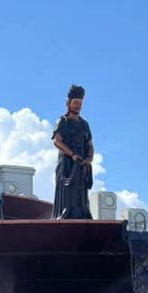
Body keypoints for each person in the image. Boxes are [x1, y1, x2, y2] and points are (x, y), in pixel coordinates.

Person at [52, 84, 94, 219]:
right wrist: (72, 154)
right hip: (67, 164)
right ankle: (64, 215)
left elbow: (89, 144)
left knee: (81, 195)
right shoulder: (62, 121)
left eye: (80, 104)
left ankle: (82, 215)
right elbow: (57, 141)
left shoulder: (84, 124)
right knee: (67, 195)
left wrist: (89, 157)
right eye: (75, 103)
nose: (78, 106)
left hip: (81, 164)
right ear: (69, 103)